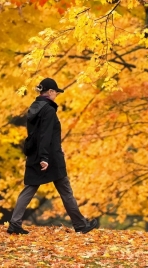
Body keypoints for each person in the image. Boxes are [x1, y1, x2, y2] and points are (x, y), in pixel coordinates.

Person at [7, 77, 100, 235]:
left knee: (29, 188)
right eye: (56, 92)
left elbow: (36, 134)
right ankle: (80, 224)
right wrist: (45, 158)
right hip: (49, 156)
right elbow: (45, 135)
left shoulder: (33, 108)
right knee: (65, 189)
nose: (56, 95)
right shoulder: (48, 110)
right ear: (50, 92)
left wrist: (41, 155)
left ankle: (14, 223)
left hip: (35, 154)